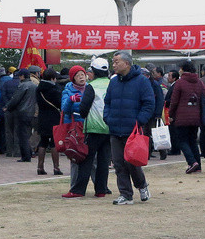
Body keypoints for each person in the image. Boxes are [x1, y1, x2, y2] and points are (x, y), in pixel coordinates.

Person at [103, 51, 154, 205]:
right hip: (115, 129)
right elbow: (108, 102)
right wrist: (108, 118)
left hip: (133, 130)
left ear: (126, 63)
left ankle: (142, 185)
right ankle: (125, 195)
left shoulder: (142, 82)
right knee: (118, 163)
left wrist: (139, 121)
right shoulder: (113, 82)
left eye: (116, 61)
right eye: (113, 61)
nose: (114, 64)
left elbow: (149, 104)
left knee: (132, 162)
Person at [64, 58, 114, 198]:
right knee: (104, 161)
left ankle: (78, 190)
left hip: (93, 127)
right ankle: (101, 190)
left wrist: (84, 115)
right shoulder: (112, 84)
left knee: (86, 159)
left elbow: (84, 108)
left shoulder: (92, 86)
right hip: (109, 127)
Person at [167, 60, 205, 174]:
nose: (179, 71)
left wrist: (171, 114)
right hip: (196, 117)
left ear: (183, 69)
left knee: (182, 141)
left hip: (182, 117)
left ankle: (192, 162)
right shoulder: (199, 82)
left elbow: (174, 101)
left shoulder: (180, 83)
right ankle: (198, 166)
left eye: (180, 69)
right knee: (193, 141)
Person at [35, 68, 63, 175]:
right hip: (54, 117)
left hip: (42, 117)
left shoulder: (38, 89)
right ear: (52, 78)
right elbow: (60, 104)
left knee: (43, 142)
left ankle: (40, 167)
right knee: (54, 143)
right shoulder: (54, 90)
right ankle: (56, 168)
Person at [5, 69, 38, 162]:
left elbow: (16, 99)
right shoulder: (33, 85)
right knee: (27, 134)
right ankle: (29, 153)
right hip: (31, 112)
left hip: (22, 112)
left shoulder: (23, 85)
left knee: (22, 135)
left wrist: (8, 107)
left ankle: (25, 156)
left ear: (22, 76)